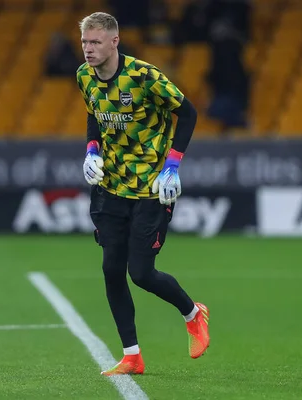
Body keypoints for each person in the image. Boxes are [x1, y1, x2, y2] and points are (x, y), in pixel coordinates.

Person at [76, 12, 209, 376]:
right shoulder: (83, 76)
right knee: (111, 269)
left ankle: (193, 314)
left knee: (141, 273)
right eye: (85, 42)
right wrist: (91, 150)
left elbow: (189, 112)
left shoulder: (143, 76)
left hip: (151, 187)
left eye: (96, 42)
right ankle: (132, 355)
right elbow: (93, 114)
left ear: (114, 42)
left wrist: (173, 165)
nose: (88, 49)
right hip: (110, 188)